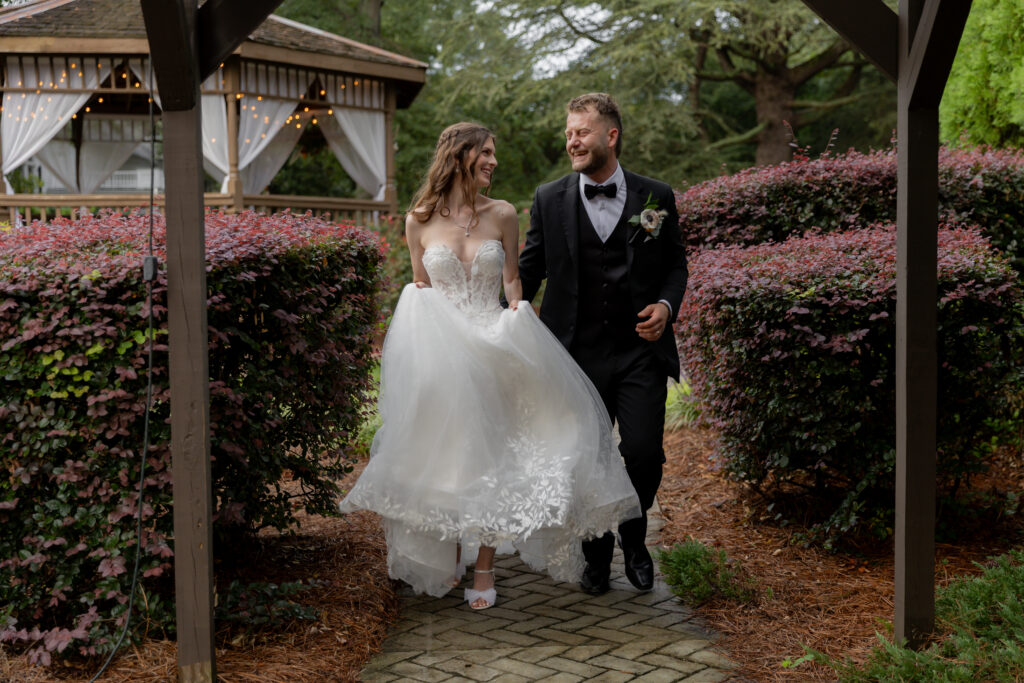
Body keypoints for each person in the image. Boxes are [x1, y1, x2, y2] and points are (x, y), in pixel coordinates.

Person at [339, 122, 640, 609]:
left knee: (494, 459)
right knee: (451, 459)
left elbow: (513, 279)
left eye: (494, 153)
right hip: (442, 355)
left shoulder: (502, 214)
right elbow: (420, 289)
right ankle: (452, 547)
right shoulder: (417, 220)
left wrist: (518, 311)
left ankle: (484, 566)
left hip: (492, 345)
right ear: (460, 155)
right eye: (486, 153)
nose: (494, 162)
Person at [519, 93, 688, 595]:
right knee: (587, 459)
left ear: (610, 136)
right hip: (574, 356)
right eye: (568, 133)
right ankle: (595, 551)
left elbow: (675, 265)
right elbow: (529, 271)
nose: (572, 141)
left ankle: (634, 536)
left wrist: (666, 305)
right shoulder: (548, 198)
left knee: (643, 453)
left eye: (582, 132)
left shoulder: (656, 195)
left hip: (640, 351)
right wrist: (495, 319)